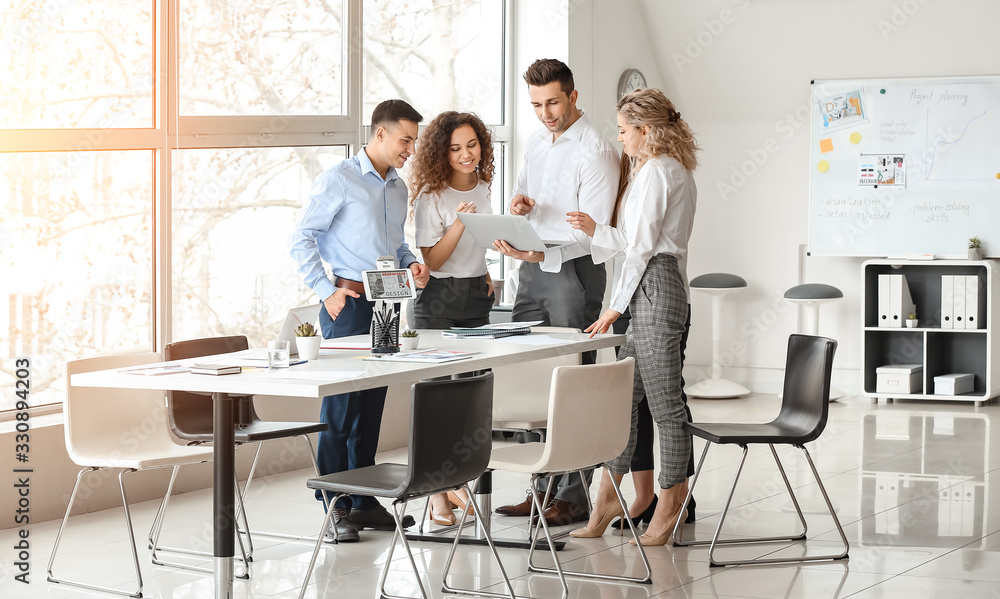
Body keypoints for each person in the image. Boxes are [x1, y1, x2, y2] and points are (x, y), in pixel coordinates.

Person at [289, 99, 430, 543]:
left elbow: (394, 245)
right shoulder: (341, 179)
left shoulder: (397, 188)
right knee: (340, 409)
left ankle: (364, 500)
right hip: (347, 301)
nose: (411, 148)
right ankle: (335, 504)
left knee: (371, 407)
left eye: (414, 140)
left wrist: (412, 263)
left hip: (387, 299)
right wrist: (326, 291)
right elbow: (301, 238)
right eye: (405, 139)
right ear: (381, 134)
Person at [565, 88, 699, 545]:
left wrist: (614, 307)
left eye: (624, 130)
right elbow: (631, 239)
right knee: (624, 403)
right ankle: (605, 501)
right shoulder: (652, 170)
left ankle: (670, 505)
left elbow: (643, 250)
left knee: (665, 407)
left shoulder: (661, 171)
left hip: (656, 287)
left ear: (646, 130)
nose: (620, 138)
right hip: (649, 284)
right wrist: (596, 230)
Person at [492, 58, 619, 526]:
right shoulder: (535, 142)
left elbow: (596, 235)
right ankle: (540, 486)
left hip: (574, 271)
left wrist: (540, 256)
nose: (545, 113)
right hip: (532, 268)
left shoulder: (597, 151)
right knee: (535, 377)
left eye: (552, 102)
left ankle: (573, 495)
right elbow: (527, 201)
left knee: (571, 381)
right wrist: (520, 207)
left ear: (573, 97)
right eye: (536, 104)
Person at [409, 111, 496, 525]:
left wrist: (486, 271)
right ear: (441, 153)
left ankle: (454, 484)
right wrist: (461, 222)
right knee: (436, 399)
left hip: (476, 296)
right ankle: (439, 494)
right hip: (439, 298)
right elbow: (433, 259)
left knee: (469, 398)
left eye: (472, 145)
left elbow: (482, 241)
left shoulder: (486, 188)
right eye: (456, 148)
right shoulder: (431, 195)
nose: (466, 155)